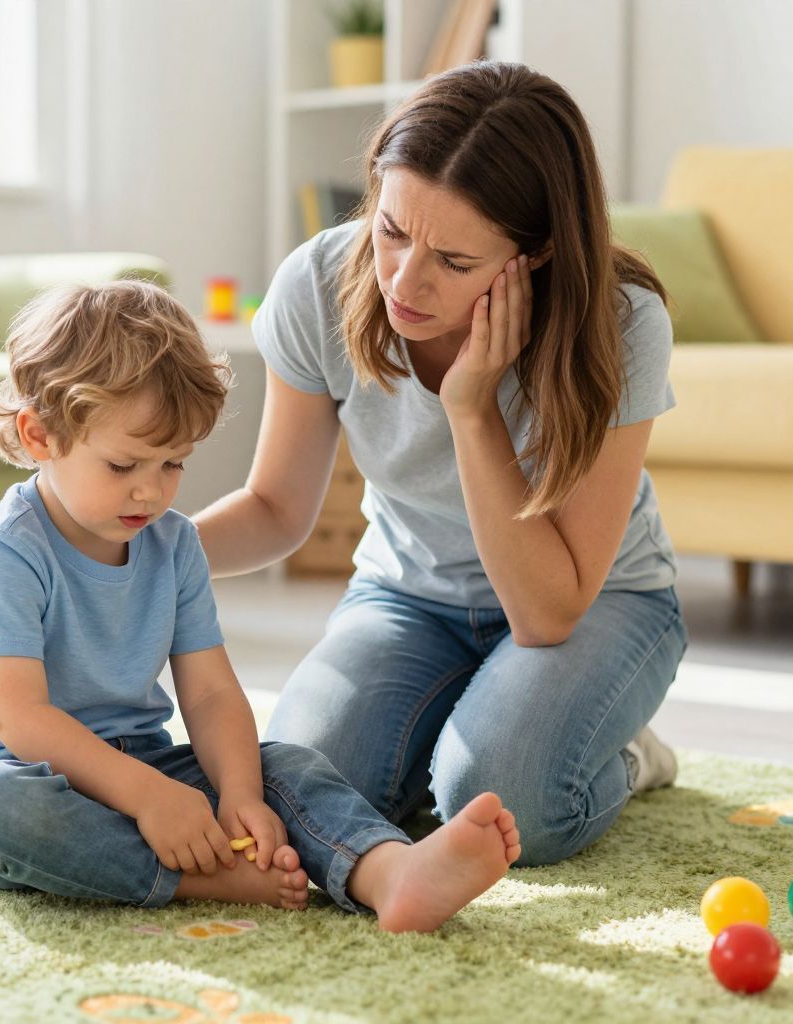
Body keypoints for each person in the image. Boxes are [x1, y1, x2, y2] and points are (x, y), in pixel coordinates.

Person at [193, 62, 689, 867]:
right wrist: (143, 550)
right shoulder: (318, 283)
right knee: (296, 789)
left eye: (455, 262)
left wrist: (472, 408)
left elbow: (549, 615)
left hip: (596, 604)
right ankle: (473, 720)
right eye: (391, 231)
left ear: (538, 251)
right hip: (408, 596)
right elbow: (278, 508)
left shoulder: (621, 322)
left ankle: (625, 755)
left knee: (502, 797)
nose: (404, 281)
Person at [0, 280, 520, 932]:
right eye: (123, 465)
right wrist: (149, 798)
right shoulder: (3, 553)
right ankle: (195, 878)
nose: (150, 492)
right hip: (21, 776)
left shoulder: (174, 544)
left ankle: (387, 872)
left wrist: (239, 796)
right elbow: (22, 720)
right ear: (39, 436)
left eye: (172, 464)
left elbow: (209, 694)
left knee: (285, 764)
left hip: (145, 764)